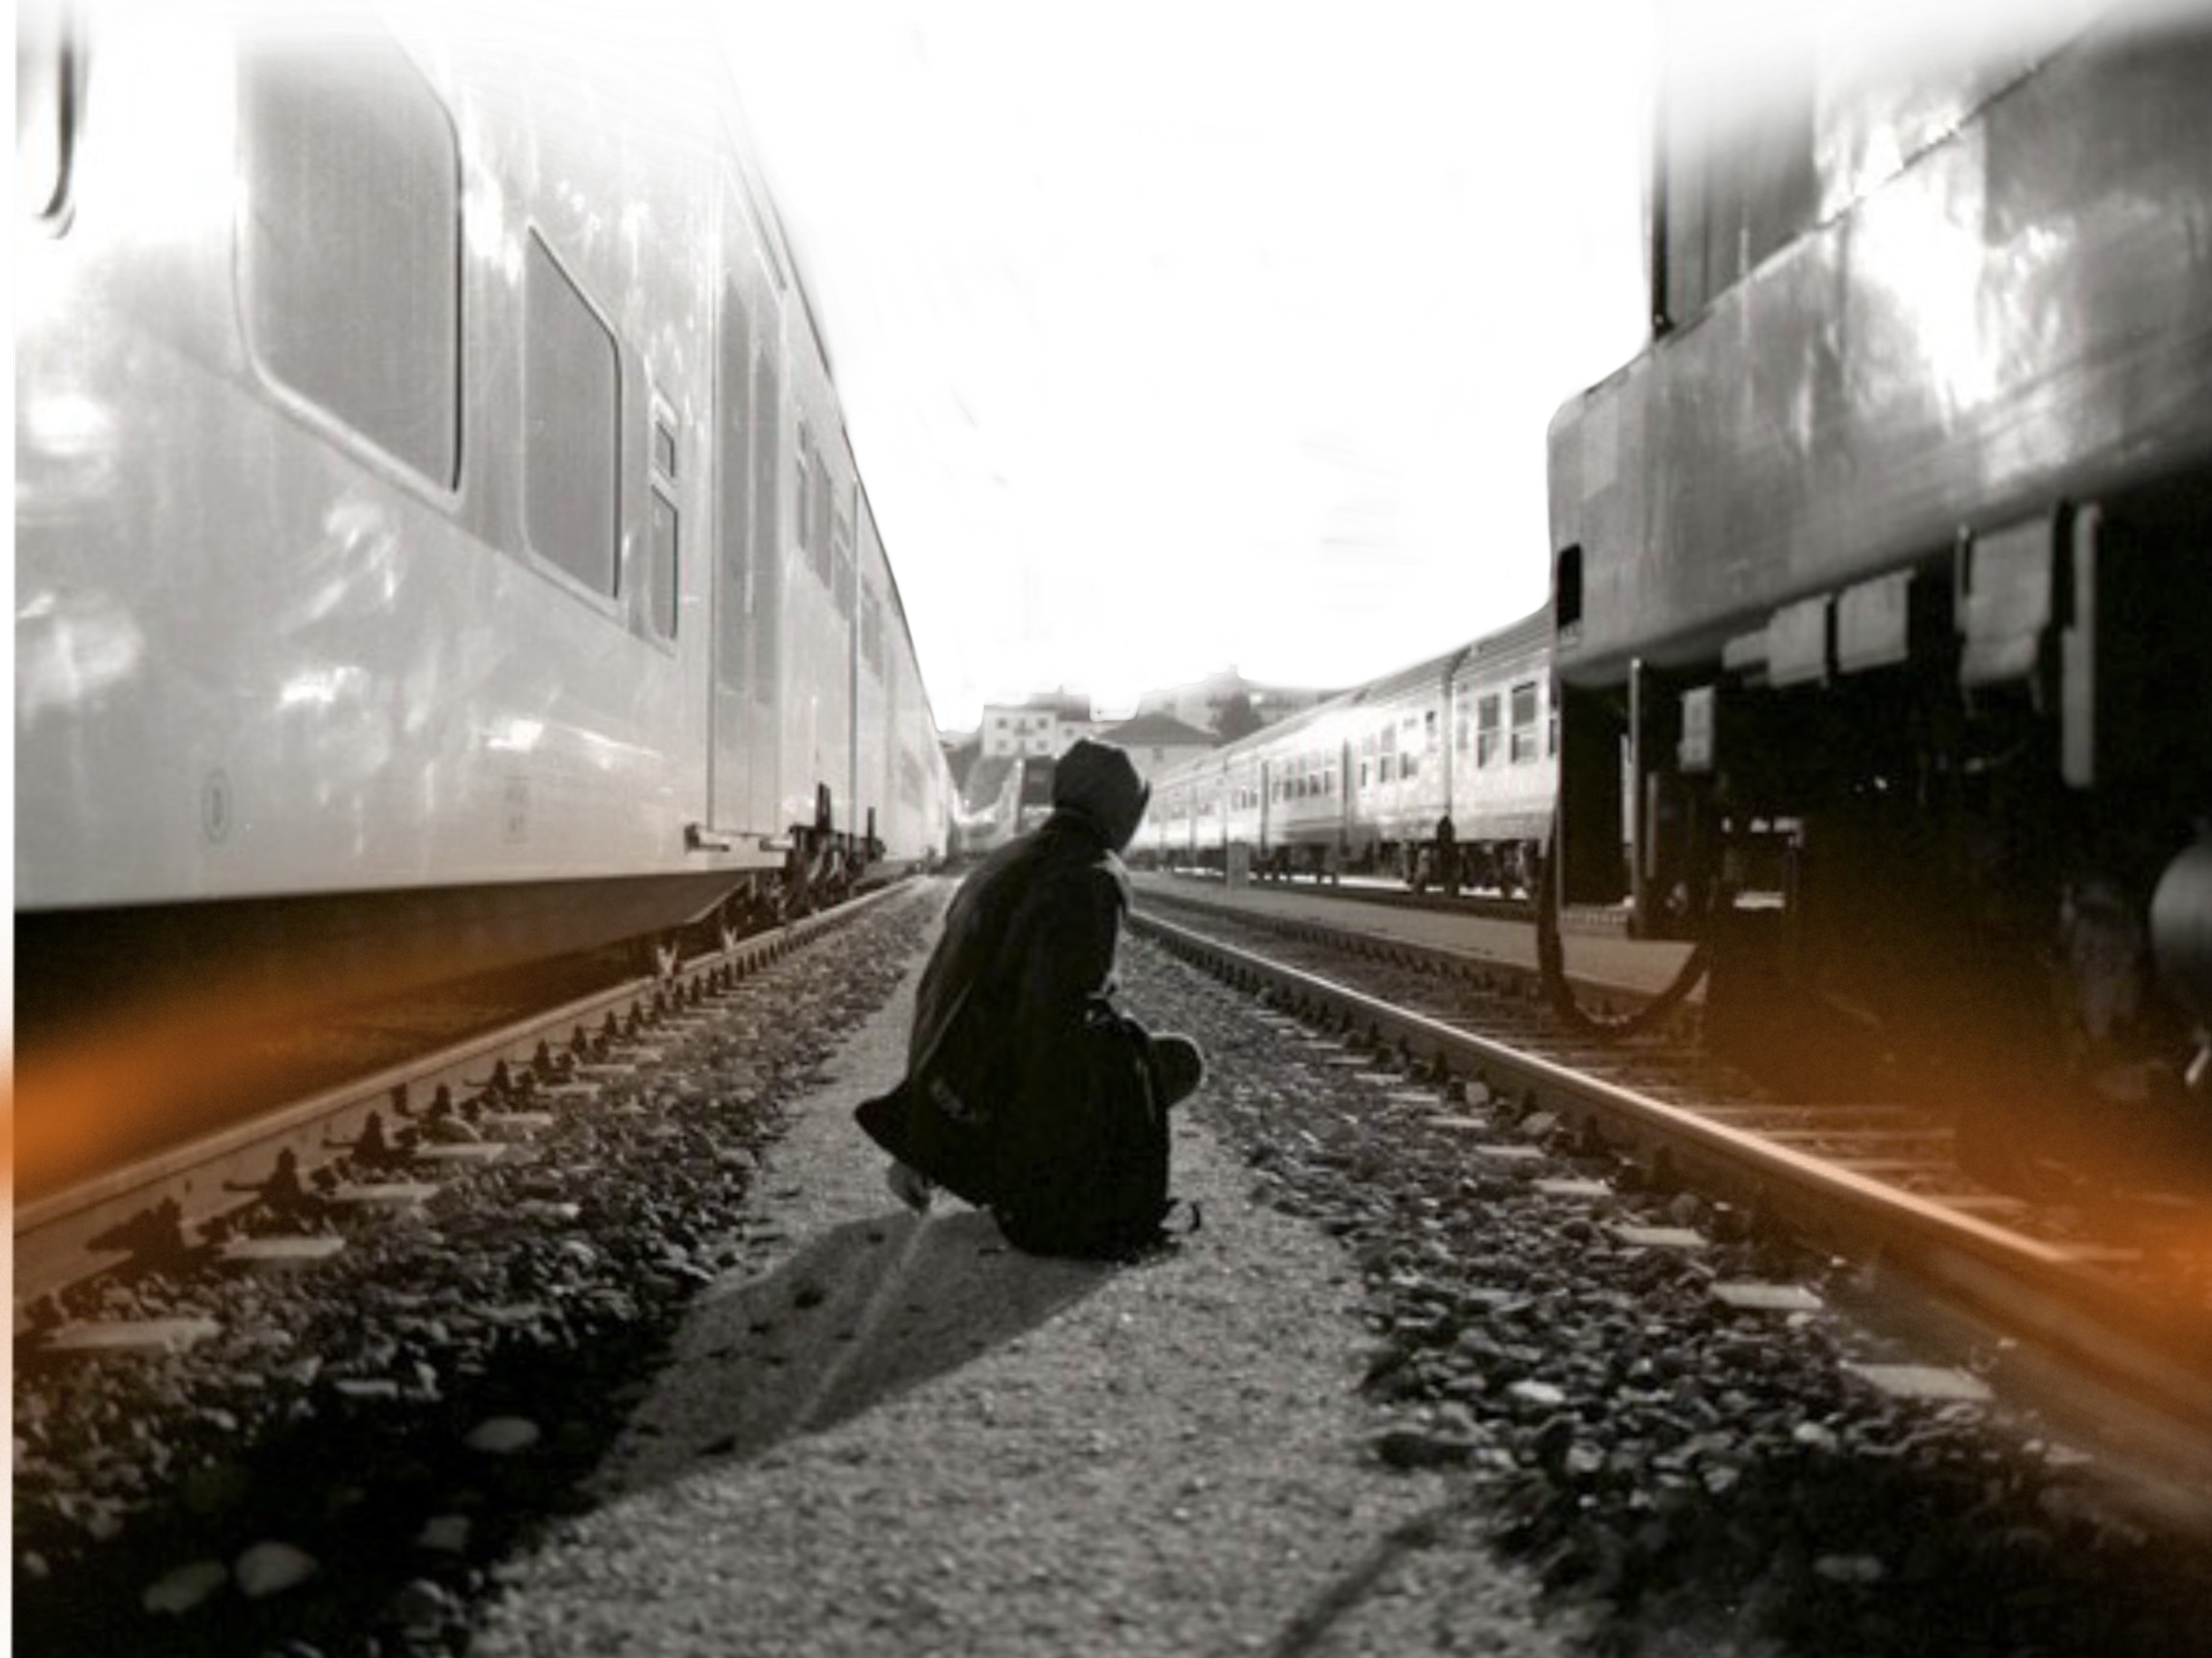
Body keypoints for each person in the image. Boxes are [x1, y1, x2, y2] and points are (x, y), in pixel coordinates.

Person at [859, 738, 1204, 1250]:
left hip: (940, 1102)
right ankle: (1025, 1173)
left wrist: (919, 1139)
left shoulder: (1001, 860)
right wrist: (1050, 1178)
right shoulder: (1093, 876)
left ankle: (950, 1156)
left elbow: (943, 992)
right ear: (1122, 814)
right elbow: (1057, 1026)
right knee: (1176, 1061)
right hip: (1002, 1126)